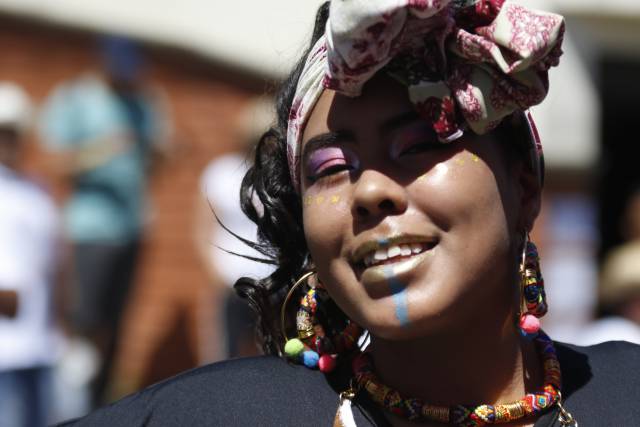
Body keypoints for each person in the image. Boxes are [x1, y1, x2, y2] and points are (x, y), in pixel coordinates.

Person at [60, 1, 640, 426]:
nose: (369, 192)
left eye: (419, 145)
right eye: (331, 167)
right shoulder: (218, 415)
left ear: (524, 186)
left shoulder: (626, 394)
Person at [39, 36, 172, 406]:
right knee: (85, 319)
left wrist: (161, 152)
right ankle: (69, 405)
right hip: (90, 230)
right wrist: (102, 150)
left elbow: (157, 160)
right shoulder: (76, 98)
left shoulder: (144, 102)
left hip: (131, 227)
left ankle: (101, 406)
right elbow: (55, 162)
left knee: (116, 323)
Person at [0, 82, 63, 427]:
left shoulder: (37, 190)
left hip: (41, 345)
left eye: (14, 133)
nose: (8, 142)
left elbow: (54, 262)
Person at [195, 97, 275, 359]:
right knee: (222, 355)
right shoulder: (220, 173)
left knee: (269, 356)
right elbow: (202, 231)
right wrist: (216, 276)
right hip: (228, 284)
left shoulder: (277, 178)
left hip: (271, 286)